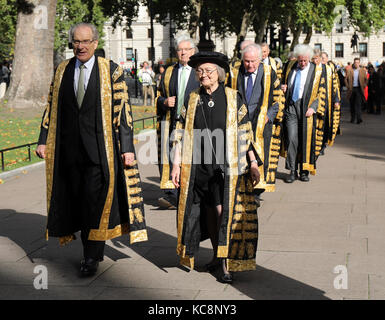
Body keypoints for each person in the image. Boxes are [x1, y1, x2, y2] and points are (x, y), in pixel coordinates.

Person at [35, 23, 148, 277]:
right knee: (76, 201)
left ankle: (91, 256)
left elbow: (123, 112)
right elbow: (51, 107)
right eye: (76, 41)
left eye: (85, 42)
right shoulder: (62, 70)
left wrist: (127, 148)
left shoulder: (112, 71)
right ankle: (88, 247)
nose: (80, 46)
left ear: (95, 44)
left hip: (100, 152)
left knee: (93, 203)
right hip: (68, 152)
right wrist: (43, 139)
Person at [171, 51, 262, 284]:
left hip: (226, 166)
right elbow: (179, 131)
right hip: (198, 166)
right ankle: (214, 255)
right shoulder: (192, 98)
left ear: (219, 75)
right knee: (209, 210)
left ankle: (224, 262)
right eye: (199, 71)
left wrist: (253, 162)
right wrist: (175, 163)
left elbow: (246, 131)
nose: (203, 75)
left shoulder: (232, 97)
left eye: (207, 71)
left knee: (223, 212)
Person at [227, 43, 285, 202]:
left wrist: (270, 115)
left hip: (261, 121)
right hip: (240, 121)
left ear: (260, 59)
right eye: (247, 61)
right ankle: (243, 187)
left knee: (260, 154)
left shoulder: (269, 73)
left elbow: (278, 98)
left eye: (253, 61)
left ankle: (257, 190)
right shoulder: (234, 73)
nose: (250, 65)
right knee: (242, 153)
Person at [155, 35, 200, 209]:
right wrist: (164, 102)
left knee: (190, 156)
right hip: (171, 120)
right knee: (169, 155)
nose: (182, 53)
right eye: (180, 50)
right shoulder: (169, 72)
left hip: (192, 123)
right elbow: (158, 96)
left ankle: (189, 191)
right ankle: (172, 194)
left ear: (193, 51)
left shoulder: (199, 71)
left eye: (186, 50)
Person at [280, 44, 326, 183]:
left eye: (305, 60)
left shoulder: (317, 71)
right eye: (300, 60)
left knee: (305, 140)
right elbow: (282, 81)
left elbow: (321, 92)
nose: (303, 63)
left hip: (307, 109)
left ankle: (304, 170)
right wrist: (283, 86)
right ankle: (292, 170)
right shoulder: (289, 66)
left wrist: (313, 107)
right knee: (292, 138)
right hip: (291, 107)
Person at [320, 51, 341, 150]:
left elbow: (335, 86)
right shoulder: (315, 68)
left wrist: (336, 100)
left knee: (326, 124)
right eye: (321, 58)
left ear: (327, 59)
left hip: (328, 101)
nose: (322, 59)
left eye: (323, 58)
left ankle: (323, 143)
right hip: (318, 102)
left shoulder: (330, 70)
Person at [345, 57, 367, 124]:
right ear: (354, 63)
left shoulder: (362, 70)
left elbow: (366, 79)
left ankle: (359, 119)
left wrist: (364, 85)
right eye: (355, 62)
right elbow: (345, 79)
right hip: (351, 89)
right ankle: (353, 118)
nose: (356, 64)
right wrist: (348, 86)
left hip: (359, 89)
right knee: (352, 104)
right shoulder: (350, 70)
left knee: (358, 104)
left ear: (359, 63)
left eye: (358, 62)